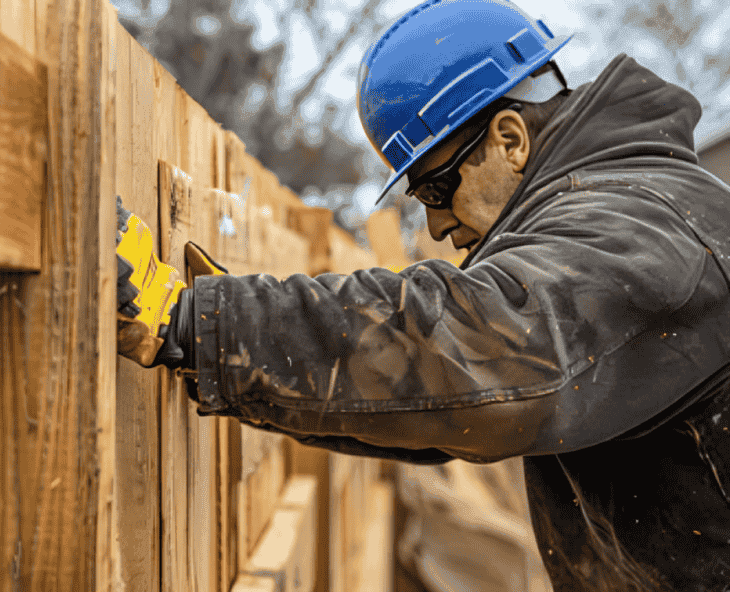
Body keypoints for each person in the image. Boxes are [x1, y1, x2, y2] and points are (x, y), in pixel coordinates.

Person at [115, 0, 730, 589]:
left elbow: (483, 352)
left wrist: (193, 321)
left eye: (435, 189)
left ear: (511, 139)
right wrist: (228, 349)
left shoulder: (648, 226)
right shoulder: (632, 208)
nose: (436, 227)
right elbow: (443, 414)